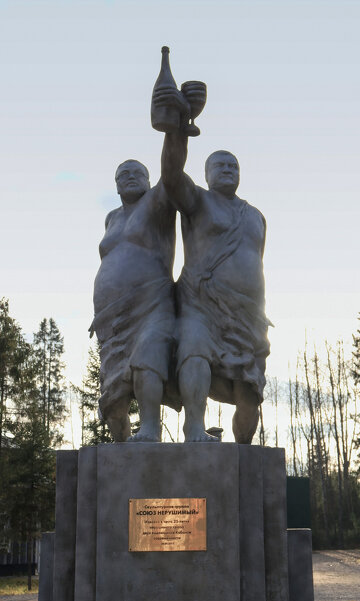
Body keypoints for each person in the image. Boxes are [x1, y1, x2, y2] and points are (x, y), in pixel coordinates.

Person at [159, 95, 271, 444]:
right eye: (219, 165)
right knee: (194, 351)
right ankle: (194, 428)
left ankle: (244, 453)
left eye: (233, 165)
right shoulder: (198, 201)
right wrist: (177, 132)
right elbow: (171, 176)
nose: (227, 169)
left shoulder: (256, 216)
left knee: (250, 393)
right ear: (206, 175)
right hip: (201, 307)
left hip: (247, 318)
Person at [90, 159, 179, 441]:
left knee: (146, 361)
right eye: (123, 174)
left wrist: (174, 125)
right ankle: (122, 453)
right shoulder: (112, 218)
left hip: (152, 303)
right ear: (116, 186)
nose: (130, 177)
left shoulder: (159, 204)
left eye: (137, 173)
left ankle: (151, 428)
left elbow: (173, 165)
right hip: (112, 318)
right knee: (113, 399)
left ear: (149, 180)